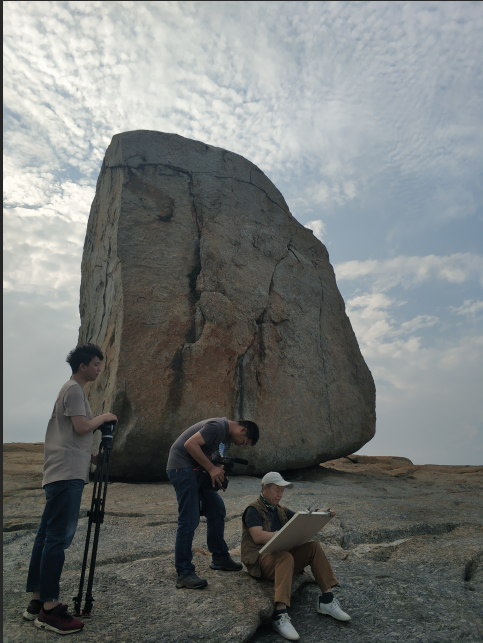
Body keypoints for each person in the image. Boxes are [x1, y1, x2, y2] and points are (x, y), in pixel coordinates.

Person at [23, 343, 118, 635]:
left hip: (60, 471)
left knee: (45, 537)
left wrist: (90, 457)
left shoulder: (69, 389)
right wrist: (104, 417)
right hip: (67, 476)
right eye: (97, 364)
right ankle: (50, 610)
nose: (99, 369)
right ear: (83, 366)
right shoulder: (75, 389)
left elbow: (70, 435)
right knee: (57, 540)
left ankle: (37, 602)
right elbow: (80, 427)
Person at [241, 471, 350, 641]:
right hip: (261, 561)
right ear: (265, 488)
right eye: (277, 490)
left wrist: (320, 513)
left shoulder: (281, 509)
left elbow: (299, 521)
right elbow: (258, 536)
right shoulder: (253, 509)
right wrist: (281, 534)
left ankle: (327, 600)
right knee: (285, 557)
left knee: (313, 547)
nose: (280, 494)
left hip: (281, 558)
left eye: (282, 491)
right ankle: (279, 614)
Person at [167, 417, 259, 589]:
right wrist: (211, 469)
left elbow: (217, 461)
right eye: (244, 443)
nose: (241, 445)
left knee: (217, 509)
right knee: (189, 519)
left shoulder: (227, 439)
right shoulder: (217, 426)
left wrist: (221, 474)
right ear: (243, 430)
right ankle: (184, 572)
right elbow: (190, 444)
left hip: (197, 471)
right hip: (182, 468)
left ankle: (220, 557)